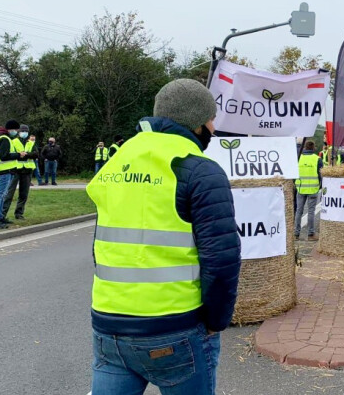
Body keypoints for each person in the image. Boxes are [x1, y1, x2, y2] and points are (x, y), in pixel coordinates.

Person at [86, 78, 241, 394]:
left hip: (108, 324)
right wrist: (216, 322)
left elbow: (100, 242)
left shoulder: (118, 160)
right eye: (212, 119)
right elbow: (222, 261)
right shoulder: (199, 169)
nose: (214, 126)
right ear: (197, 124)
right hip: (175, 327)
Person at [0, 120, 25, 229]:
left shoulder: (5, 138)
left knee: (3, 195)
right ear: (11, 129)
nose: (17, 131)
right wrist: (18, 155)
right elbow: (4, 156)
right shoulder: (4, 139)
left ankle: (0, 217)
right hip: (4, 171)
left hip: (7, 171)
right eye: (16, 129)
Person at [2, 124, 36, 221]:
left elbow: (36, 154)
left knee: (24, 194)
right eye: (22, 131)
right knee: (9, 193)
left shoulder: (31, 143)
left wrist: (26, 155)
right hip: (15, 170)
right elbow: (10, 154)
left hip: (27, 170)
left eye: (26, 131)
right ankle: (3, 214)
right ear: (19, 132)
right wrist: (19, 155)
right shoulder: (14, 142)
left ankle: (19, 213)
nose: (24, 133)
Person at [294, 140, 323, 240]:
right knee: (311, 212)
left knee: (299, 211)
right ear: (313, 148)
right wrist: (320, 186)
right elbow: (321, 175)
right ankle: (311, 234)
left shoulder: (298, 158)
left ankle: (296, 234)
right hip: (313, 189)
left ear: (305, 147)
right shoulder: (317, 159)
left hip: (300, 188)